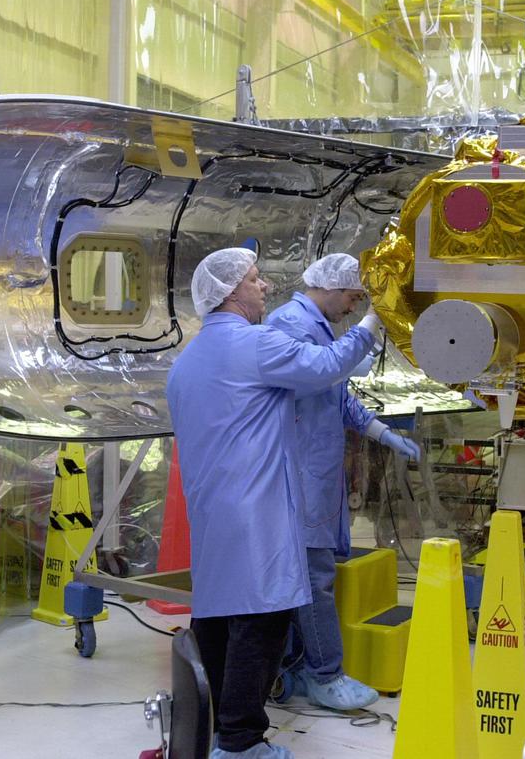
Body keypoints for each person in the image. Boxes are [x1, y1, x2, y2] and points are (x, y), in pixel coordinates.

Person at [166, 247, 382, 759]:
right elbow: (326, 365)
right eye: (257, 280)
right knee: (262, 622)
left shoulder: (187, 362)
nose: (265, 287)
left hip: (214, 512)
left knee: (217, 620)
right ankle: (240, 742)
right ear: (231, 292)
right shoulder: (255, 345)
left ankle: (214, 729)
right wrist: (372, 324)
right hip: (256, 512)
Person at [264, 253, 420, 711]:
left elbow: (337, 396)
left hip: (315, 476)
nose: (353, 307)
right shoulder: (288, 324)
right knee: (314, 579)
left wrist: (382, 432)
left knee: (309, 576)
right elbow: (323, 371)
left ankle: (291, 669)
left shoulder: (316, 327)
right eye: (354, 298)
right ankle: (325, 675)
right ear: (333, 287)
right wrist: (372, 325)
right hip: (298, 479)